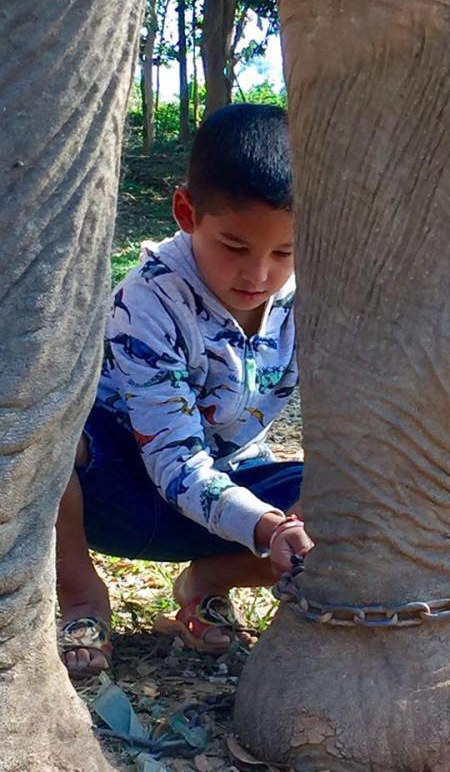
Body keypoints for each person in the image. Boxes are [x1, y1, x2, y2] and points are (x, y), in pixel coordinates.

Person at [57, 103, 313, 676]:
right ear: (185, 212)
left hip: (229, 492)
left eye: (284, 252)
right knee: (50, 447)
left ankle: (205, 582)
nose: (259, 276)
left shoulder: (309, 299)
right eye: (234, 246)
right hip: (117, 491)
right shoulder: (148, 300)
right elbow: (172, 456)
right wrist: (267, 526)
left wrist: (293, 519)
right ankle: (79, 596)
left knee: (341, 503)